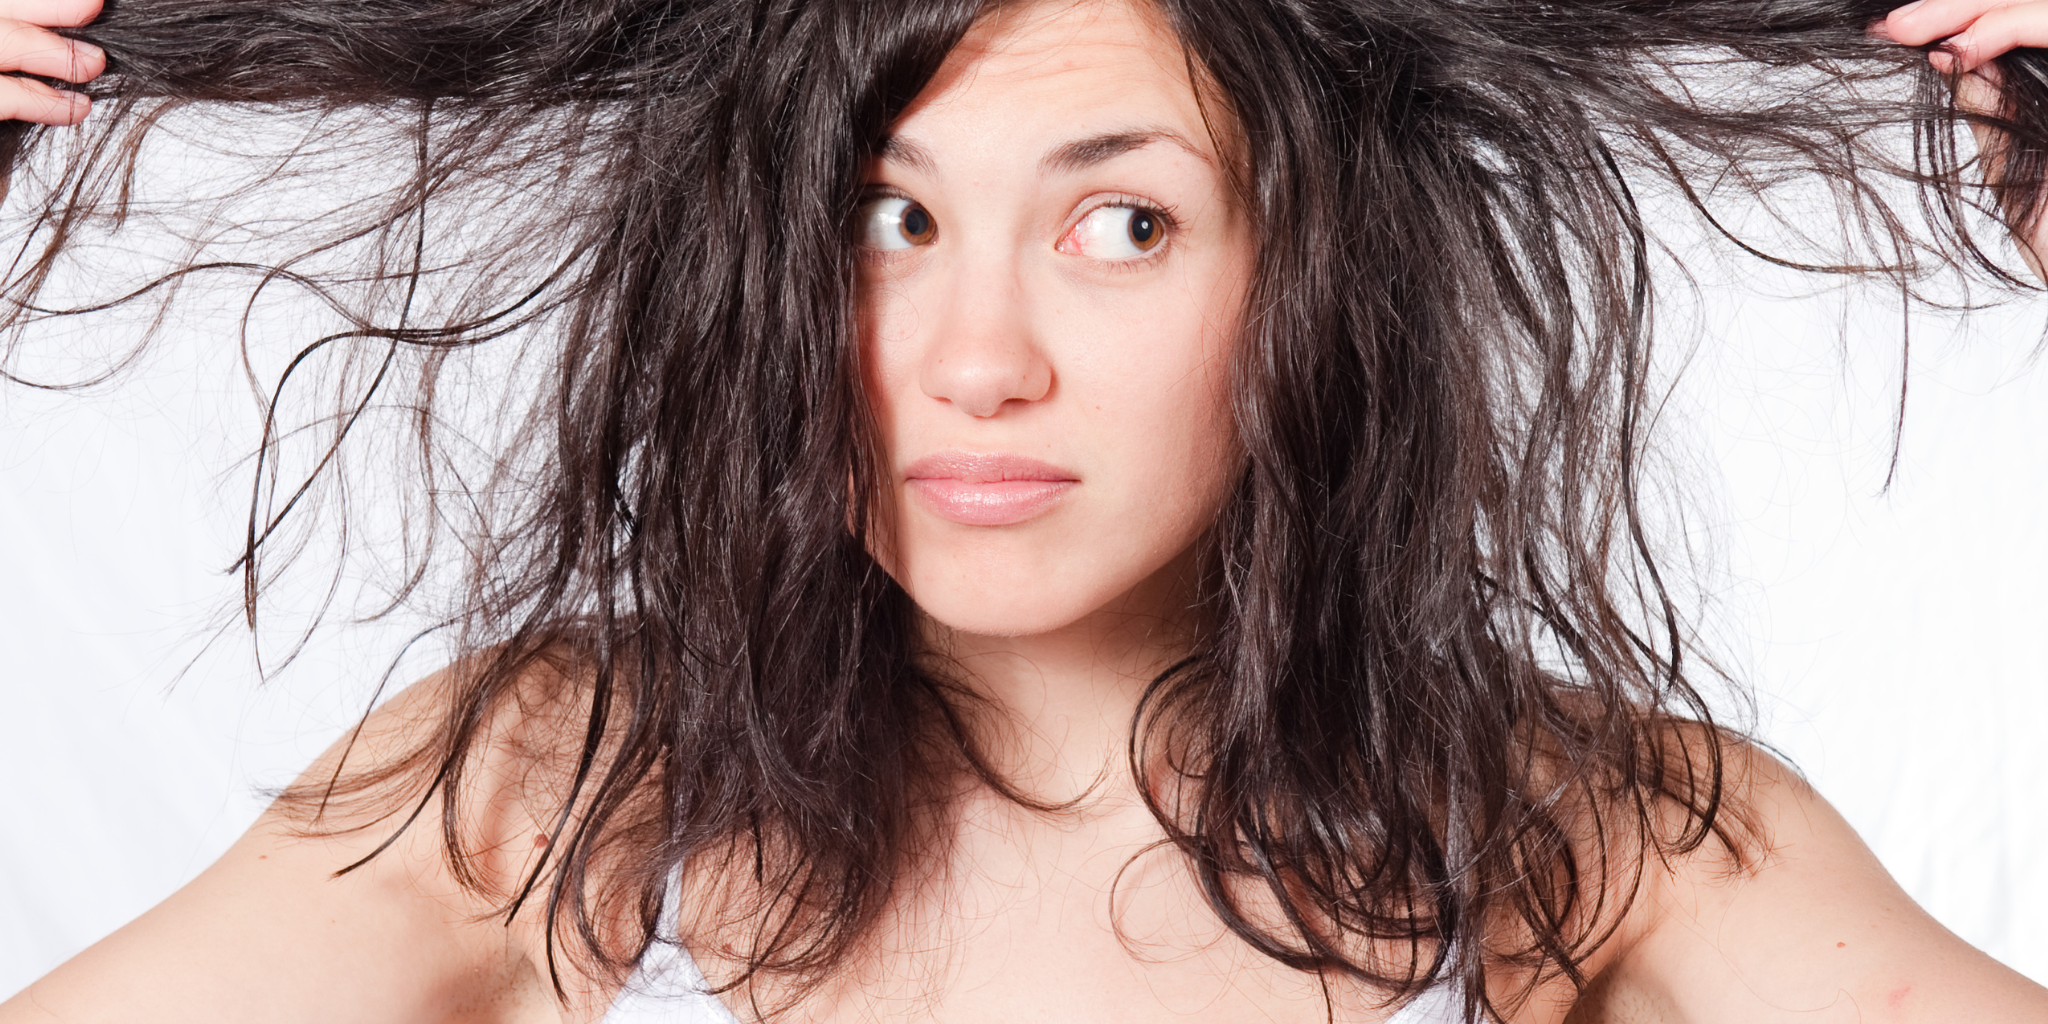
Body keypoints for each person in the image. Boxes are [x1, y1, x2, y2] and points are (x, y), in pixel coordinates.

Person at [1, 0, 2046, 1021]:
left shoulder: (1579, 829)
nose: (977, 354)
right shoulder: (562, 787)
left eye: (1118, 219)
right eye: (885, 216)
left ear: (1307, 276)